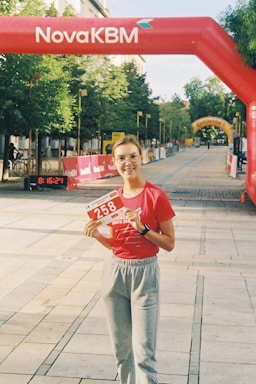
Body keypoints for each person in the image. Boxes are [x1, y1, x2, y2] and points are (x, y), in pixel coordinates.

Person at [84, 135, 175, 384]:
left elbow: (169, 244)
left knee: (144, 353)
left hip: (144, 275)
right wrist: (97, 236)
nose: (128, 163)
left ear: (141, 158)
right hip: (115, 275)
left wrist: (143, 228)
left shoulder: (156, 196)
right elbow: (116, 245)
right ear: (114, 162)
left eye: (133, 156)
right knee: (122, 351)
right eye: (121, 158)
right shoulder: (113, 200)